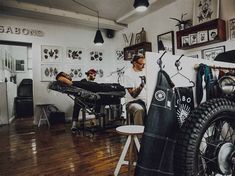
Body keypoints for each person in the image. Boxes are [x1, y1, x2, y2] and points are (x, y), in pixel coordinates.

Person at [123, 54, 147, 125]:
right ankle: (139, 135)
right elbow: (133, 95)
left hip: (146, 101)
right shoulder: (128, 73)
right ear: (134, 63)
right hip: (132, 102)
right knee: (139, 109)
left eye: (144, 64)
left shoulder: (145, 70)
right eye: (141, 64)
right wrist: (141, 86)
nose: (143, 66)